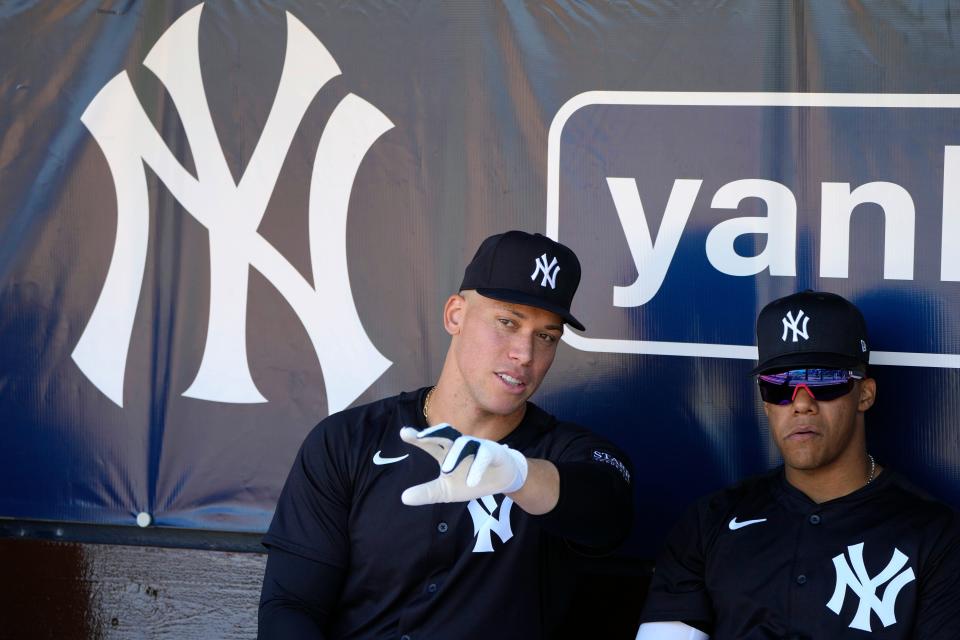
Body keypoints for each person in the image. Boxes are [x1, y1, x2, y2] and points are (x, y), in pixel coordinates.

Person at [258, 230, 633, 639]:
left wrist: (516, 474)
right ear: (455, 314)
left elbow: (606, 506)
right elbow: (292, 605)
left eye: (546, 336)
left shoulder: (564, 452)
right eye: (507, 322)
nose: (525, 354)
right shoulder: (348, 440)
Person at [636, 290, 960, 640]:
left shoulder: (935, 536)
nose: (801, 403)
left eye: (822, 379)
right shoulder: (709, 521)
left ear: (864, 394)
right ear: (765, 403)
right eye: (779, 385)